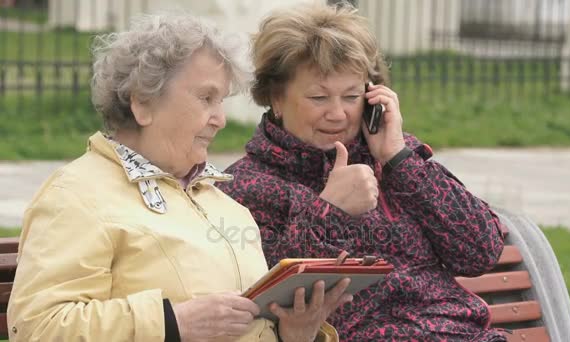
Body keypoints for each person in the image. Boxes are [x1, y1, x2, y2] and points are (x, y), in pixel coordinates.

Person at [7, 13, 352, 342]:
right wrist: (175, 322)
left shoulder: (223, 204)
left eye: (222, 102)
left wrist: (297, 332)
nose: (221, 119)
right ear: (142, 103)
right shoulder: (78, 196)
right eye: (206, 98)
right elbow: (39, 327)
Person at [216, 3, 507, 341]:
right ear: (276, 99)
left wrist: (400, 160)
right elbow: (268, 298)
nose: (338, 114)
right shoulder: (248, 186)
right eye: (319, 97)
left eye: (351, 96)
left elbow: (480, 251)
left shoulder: (395, 160)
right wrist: (329, 211)